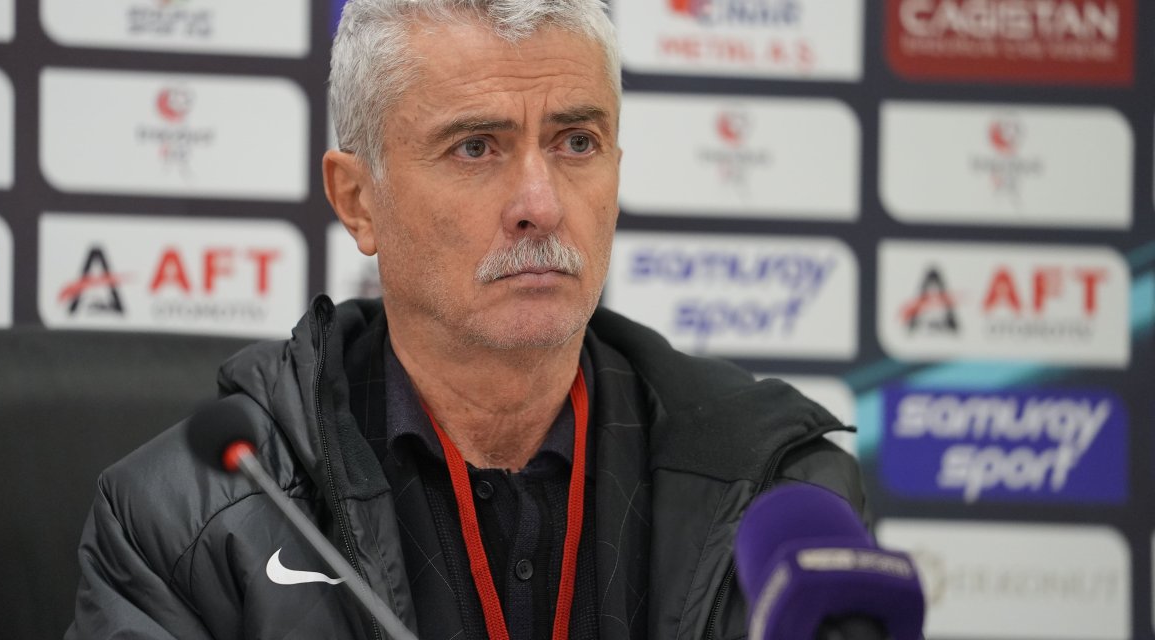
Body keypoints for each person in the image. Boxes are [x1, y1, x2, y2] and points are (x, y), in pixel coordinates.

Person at [66, 1, 869, 638]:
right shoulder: (194, 521)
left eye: (576, 142)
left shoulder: (775, 495)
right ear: (358, 199)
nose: (541, 204)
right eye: (476, 147)